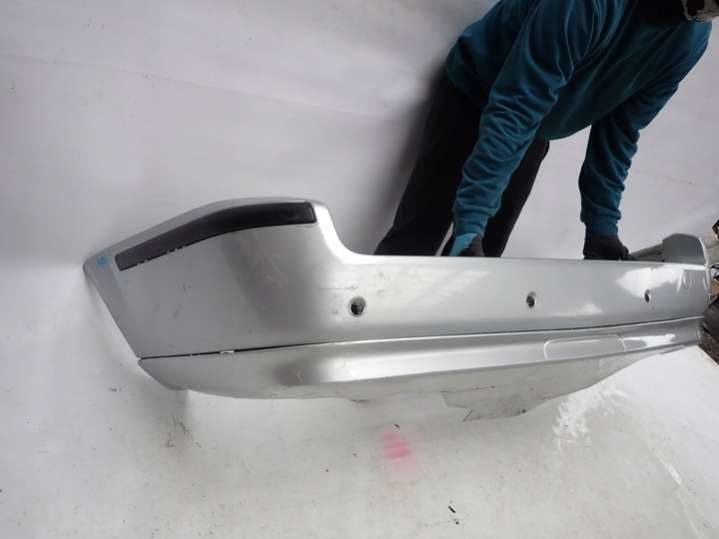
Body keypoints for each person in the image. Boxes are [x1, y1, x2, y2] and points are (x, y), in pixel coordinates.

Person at [375, 0, 715, 259]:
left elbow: (620, 133)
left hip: (534, 126)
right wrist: (472, 219)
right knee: (418, 238)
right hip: (476, 91)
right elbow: (519, 103)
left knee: (485, 257)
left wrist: (601, 228)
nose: (700, 12)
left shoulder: (691, 39)